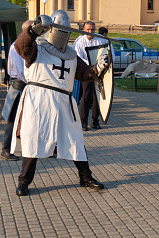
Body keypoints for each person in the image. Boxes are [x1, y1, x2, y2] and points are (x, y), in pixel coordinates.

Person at [11, 10, 109, 196]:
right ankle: (23, 182)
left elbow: (85, 73)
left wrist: (98, 67)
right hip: (39, 101)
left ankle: (85, 177)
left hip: (64, 102)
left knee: (75, 141)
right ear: (52, 30)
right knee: (34, 142)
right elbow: (20, 46)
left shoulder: (72, 55)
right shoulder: (37, 48)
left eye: (66, 31)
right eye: (60, 30)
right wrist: (34, 30)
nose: (63, 35)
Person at [0, 30, 31, 161]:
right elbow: (20, 70)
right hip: (20, 85)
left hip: (26, 84)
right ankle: (5, 149)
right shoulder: (17, 46)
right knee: (13, 118)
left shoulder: (28, 45)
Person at [72, 21, 108, 131]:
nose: (90, 32)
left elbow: (108, 53)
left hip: (99, 72)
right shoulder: (80, 42)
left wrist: (101, 67)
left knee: (97, 96)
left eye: (92, 29)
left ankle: (95, 120)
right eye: (88, 30)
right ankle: (83, 121)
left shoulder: (101, 40)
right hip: (87, 72)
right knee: (86, 96)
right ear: (84, 30)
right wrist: (90, 68)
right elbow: (79, 58)